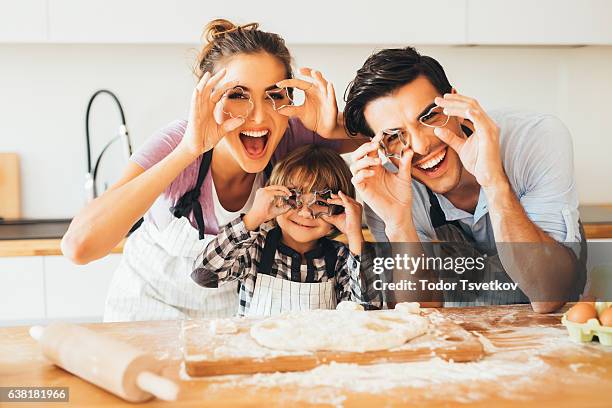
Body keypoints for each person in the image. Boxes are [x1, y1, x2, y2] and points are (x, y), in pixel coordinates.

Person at [61, 19, 362, 321]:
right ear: (207, 98)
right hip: (146, 311)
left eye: (274, 95)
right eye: (237, 95)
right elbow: (79, 247)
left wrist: (333, 128)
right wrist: (188, 150)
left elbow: (397, 132)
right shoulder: (177, 143)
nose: (258, 116)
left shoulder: (290, 132)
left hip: (229, 322)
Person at [343, 46, 586, 313]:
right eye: (393, 136)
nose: (422, 146)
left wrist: (494, 182)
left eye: (429, 116)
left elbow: (548, 294)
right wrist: (399, 225)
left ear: (455, 104)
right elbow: (418, 312)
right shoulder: (385, 186)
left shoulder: (534, 140)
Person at [191, 145, 380, 316]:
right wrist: (253, 218)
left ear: (339, 209)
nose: (305, 213)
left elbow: (368, 311)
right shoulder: (253, 248)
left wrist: (355, 236)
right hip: (256, 352)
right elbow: (204, 275)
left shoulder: (341, 258)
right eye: (293, 197)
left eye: (321, 202)